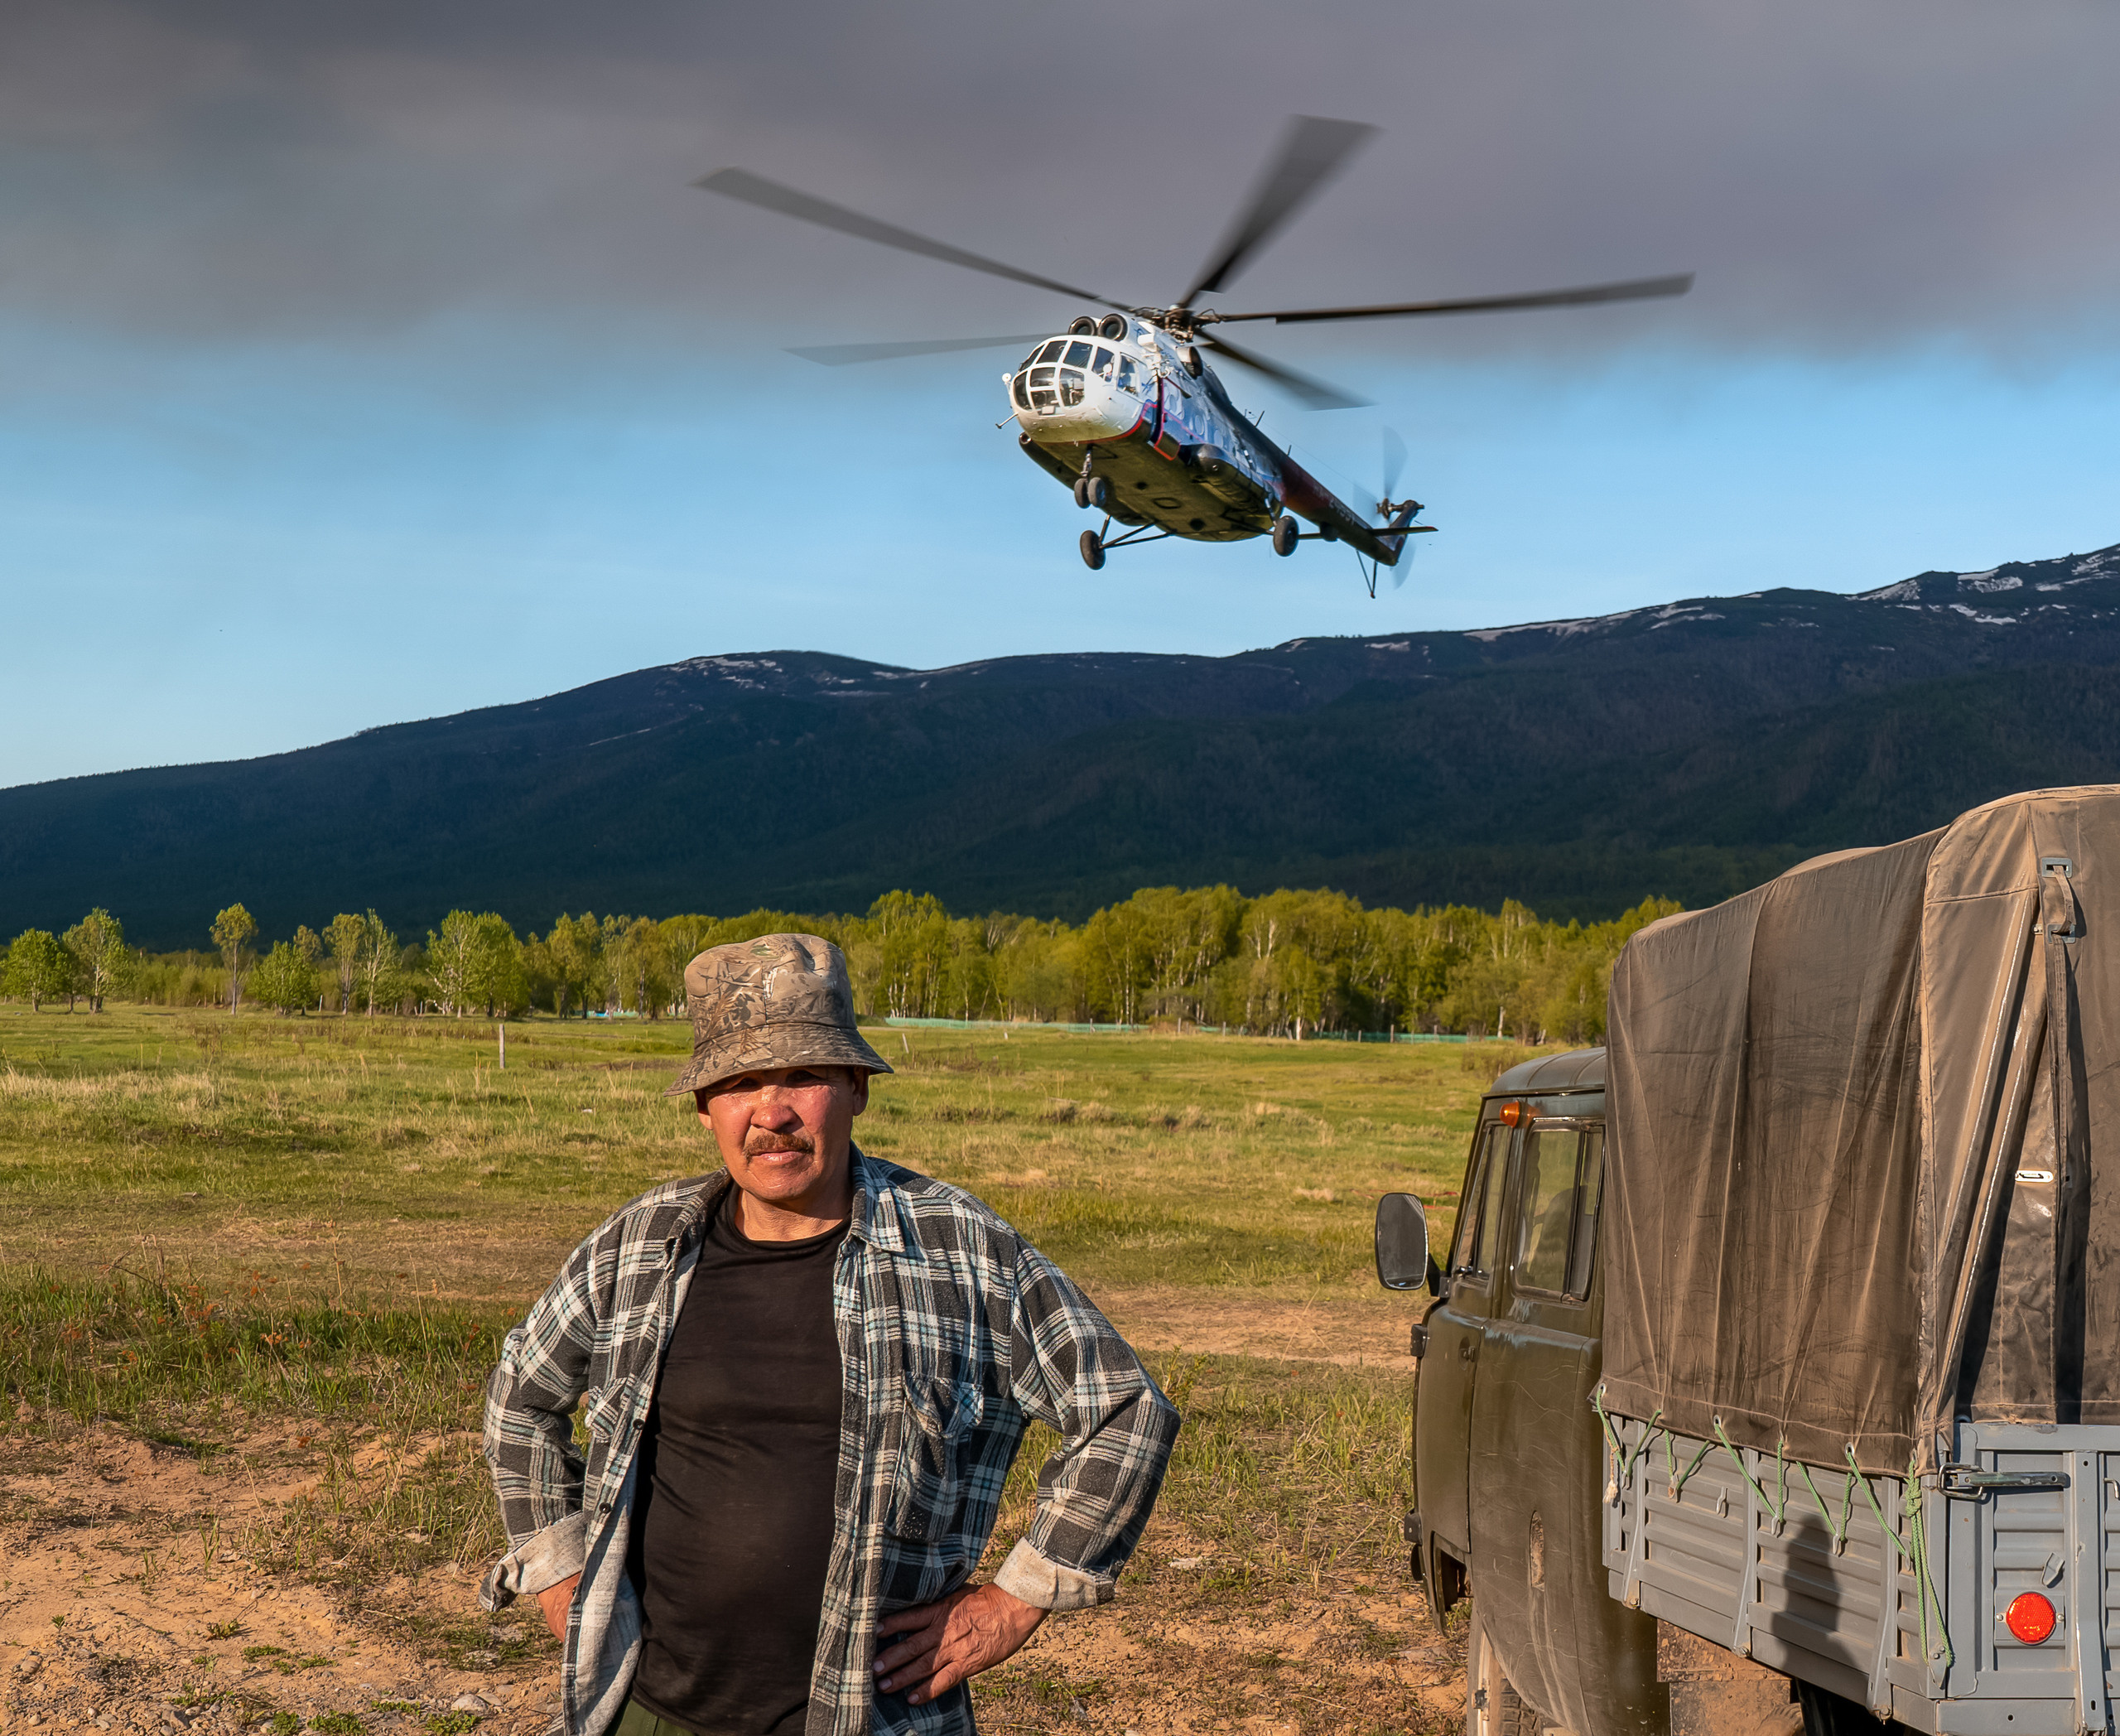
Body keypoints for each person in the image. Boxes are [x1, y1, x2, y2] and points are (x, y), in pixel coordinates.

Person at [479, 933, 1179, 1736]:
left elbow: (1125, 1410)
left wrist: (1017, 1597)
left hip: (873, 1714)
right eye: (738, 1081)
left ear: (855, 1086)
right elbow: (521, 1398)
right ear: (706, 1106)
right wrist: (557, 1567)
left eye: (802, 1075)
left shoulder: (961, 1248)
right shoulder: (641, 1245)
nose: (770, 1111)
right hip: (646, 1706)